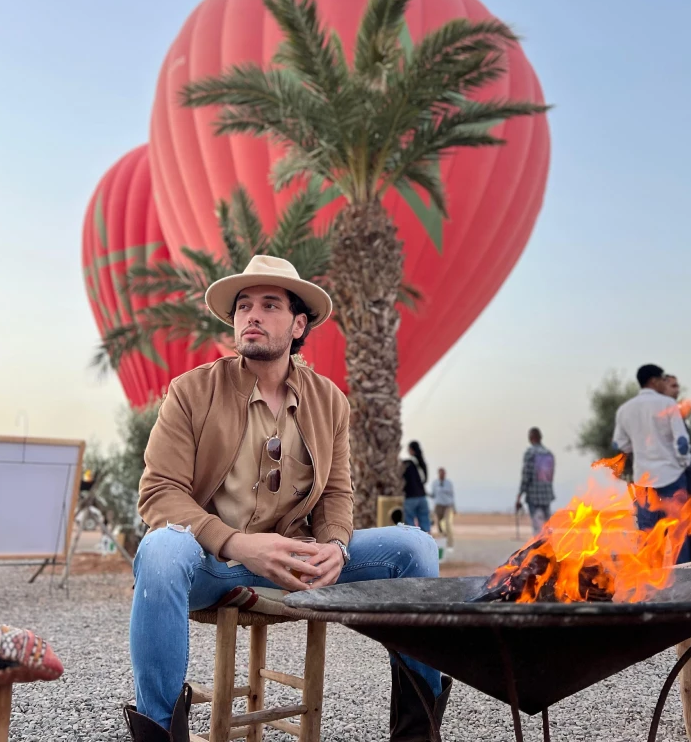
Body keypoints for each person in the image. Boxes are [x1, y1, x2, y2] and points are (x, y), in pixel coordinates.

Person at [125, 256, 450, 742]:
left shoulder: (330, 401)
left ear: (299, 325)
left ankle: (417, 734)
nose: (251, 316)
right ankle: (160, 736)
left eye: (269, 305)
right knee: (160, 548)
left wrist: (336, 545)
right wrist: (236, 543)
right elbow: (159, 492)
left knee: (416, 547)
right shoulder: (191, 391)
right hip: (212, 565)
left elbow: (336, 492)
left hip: (298, 561)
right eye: (243, 306)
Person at [612, 363, 691, 562]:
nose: (664, 383)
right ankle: (683, 577)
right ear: (654, 381)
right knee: (677, 534)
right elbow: (682, 442)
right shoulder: (668, 404)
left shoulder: (625, 409)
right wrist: (683, 462)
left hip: (644, 478)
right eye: (662, 379)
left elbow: (619, 444)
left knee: (647, 535)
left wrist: (637, 450)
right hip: (671, 476)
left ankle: (650, 579)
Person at [664, 373, 691, 561]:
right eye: (673, 386)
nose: (677, 390)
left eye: (677, 386)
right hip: (670, 485)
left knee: (689, 533)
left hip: (686, 484)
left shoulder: (677, 415)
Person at [516, 428, 555, 533]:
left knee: (538, 529)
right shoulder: (549, 454)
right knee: (547, 527)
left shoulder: (530, 453)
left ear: (531, 438)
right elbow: (550, 476)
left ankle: (540, 543)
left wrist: (519, 495)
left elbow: (526, 476)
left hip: (534, 497)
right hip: (546, 496)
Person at [401, 441, 431, 533]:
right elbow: (425, 480)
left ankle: (414, 541)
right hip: (422, 496)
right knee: (425, 523)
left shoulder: (407, 463)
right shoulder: (422, 463)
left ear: (411, 450)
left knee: (410, 525)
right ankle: (426, 540)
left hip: (410, 497)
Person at [431, 468, 456, 552]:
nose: (442, 475)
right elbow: (433, 495)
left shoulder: (449, 483)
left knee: (447, 523)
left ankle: (450, 544)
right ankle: (443, 540)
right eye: (440, 473)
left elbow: (452, 496)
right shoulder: (435, 483)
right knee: (439, 524)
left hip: (447, 505)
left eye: (443, 473)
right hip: (438, 505)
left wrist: (454, 507)